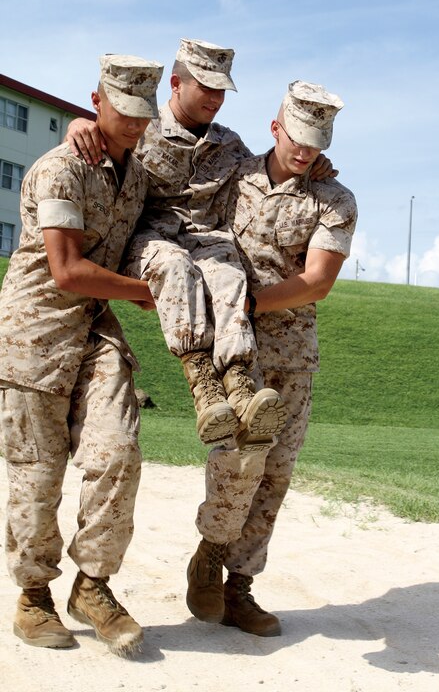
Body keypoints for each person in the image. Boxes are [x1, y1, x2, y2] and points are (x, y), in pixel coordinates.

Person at [0, 54, 163, 656]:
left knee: (118, 450)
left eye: (143, 114)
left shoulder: (138, 176)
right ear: (97, 101)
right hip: (34, 335)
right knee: (37, 475)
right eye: (122, 111)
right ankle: (34, 598)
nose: (134, 124)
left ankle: (91, 587)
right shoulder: (59, 170)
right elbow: (67, 270)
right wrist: (146, 293)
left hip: (95, 330)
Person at [186, 80, 357, 637]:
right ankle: (210, 554)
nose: (304, 152)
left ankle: (239, 587)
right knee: (241, 462)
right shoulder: (234, 172)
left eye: (316, 142)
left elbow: (316, 282)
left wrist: (251, 301)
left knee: (275, 474)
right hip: (235, 350)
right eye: (297, 137)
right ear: (275, 125)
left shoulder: (335, 199)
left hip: (293, 354)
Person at [67, 39, 287, 450]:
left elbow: (271, 168)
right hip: (149, 241)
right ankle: (202, 382)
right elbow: (101, 133)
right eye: (205, 87)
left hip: (206, 243)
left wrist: (317, 164)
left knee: (228, 273)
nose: (216, 98)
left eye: (221, 90)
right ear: (175, 84)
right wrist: (78, 124)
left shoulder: (229, 144)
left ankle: (238, 386)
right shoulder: (142, 128)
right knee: (172, 264)